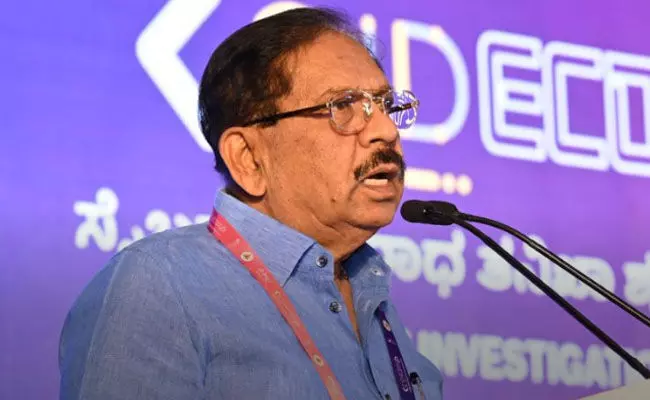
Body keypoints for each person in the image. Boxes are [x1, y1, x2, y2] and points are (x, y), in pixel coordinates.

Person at [59, 6, 444, 400]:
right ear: (248, 158)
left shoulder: (374, 301)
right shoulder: (161, 287)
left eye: (385, 105)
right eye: (343, 106)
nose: (386, 130)